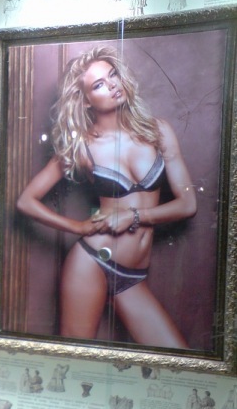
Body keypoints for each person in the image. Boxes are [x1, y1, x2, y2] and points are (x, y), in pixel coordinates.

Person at [17, 46, 196, 348]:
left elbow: (188, 204)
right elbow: (26, 201)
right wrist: (77, 227)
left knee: (177, 356)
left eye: (113, 75)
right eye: (99, 84)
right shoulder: (83, 147)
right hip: (92, 264)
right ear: (86, 101)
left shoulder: (158, 131)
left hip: (133, 275)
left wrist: (134, 216)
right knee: (74, 359)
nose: (112, 85)